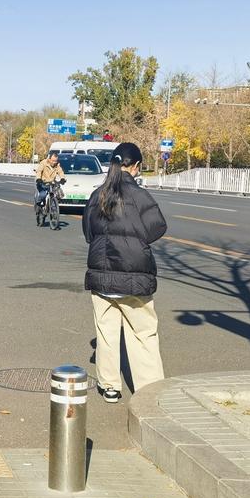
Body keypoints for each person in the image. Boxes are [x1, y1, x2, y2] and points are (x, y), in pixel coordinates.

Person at [81, 142, 167, 403]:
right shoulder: (140, 196)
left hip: (102, 273)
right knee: (143, 333)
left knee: (106, 332)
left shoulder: (97, 195)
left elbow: (88, 232)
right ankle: (149, 391)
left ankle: (110, 387)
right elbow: (158, 226)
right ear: (136, 166)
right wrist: (136, 240)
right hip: (134, 274)